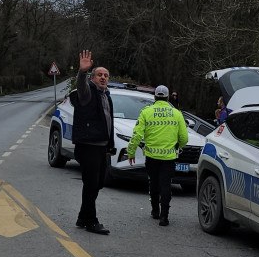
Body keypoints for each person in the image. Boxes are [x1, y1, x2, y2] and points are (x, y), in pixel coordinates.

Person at [126, 85, 188, 226]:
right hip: (169, 158)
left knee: (153, 183)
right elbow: (184, 138)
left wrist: (131, 151)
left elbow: (137, 135)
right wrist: (178, 146)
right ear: (167, 97)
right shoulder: (177, 113)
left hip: (152, 156)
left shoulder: (146, 112)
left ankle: (155, 211)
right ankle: (164, 217)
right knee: (166, 185)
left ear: (155, 97)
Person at [72, 50, 114, 235]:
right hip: (89, 146)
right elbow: (81, 87)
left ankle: (83, 216)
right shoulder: (88, 93)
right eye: (99, 75)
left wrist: (109, 146)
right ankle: (91, 220)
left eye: (106, 75)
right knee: (91, 184)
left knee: (97, 183)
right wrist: (82, 72)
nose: (103, 78)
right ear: (93, 77)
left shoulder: (106, 96)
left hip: (102, 147)